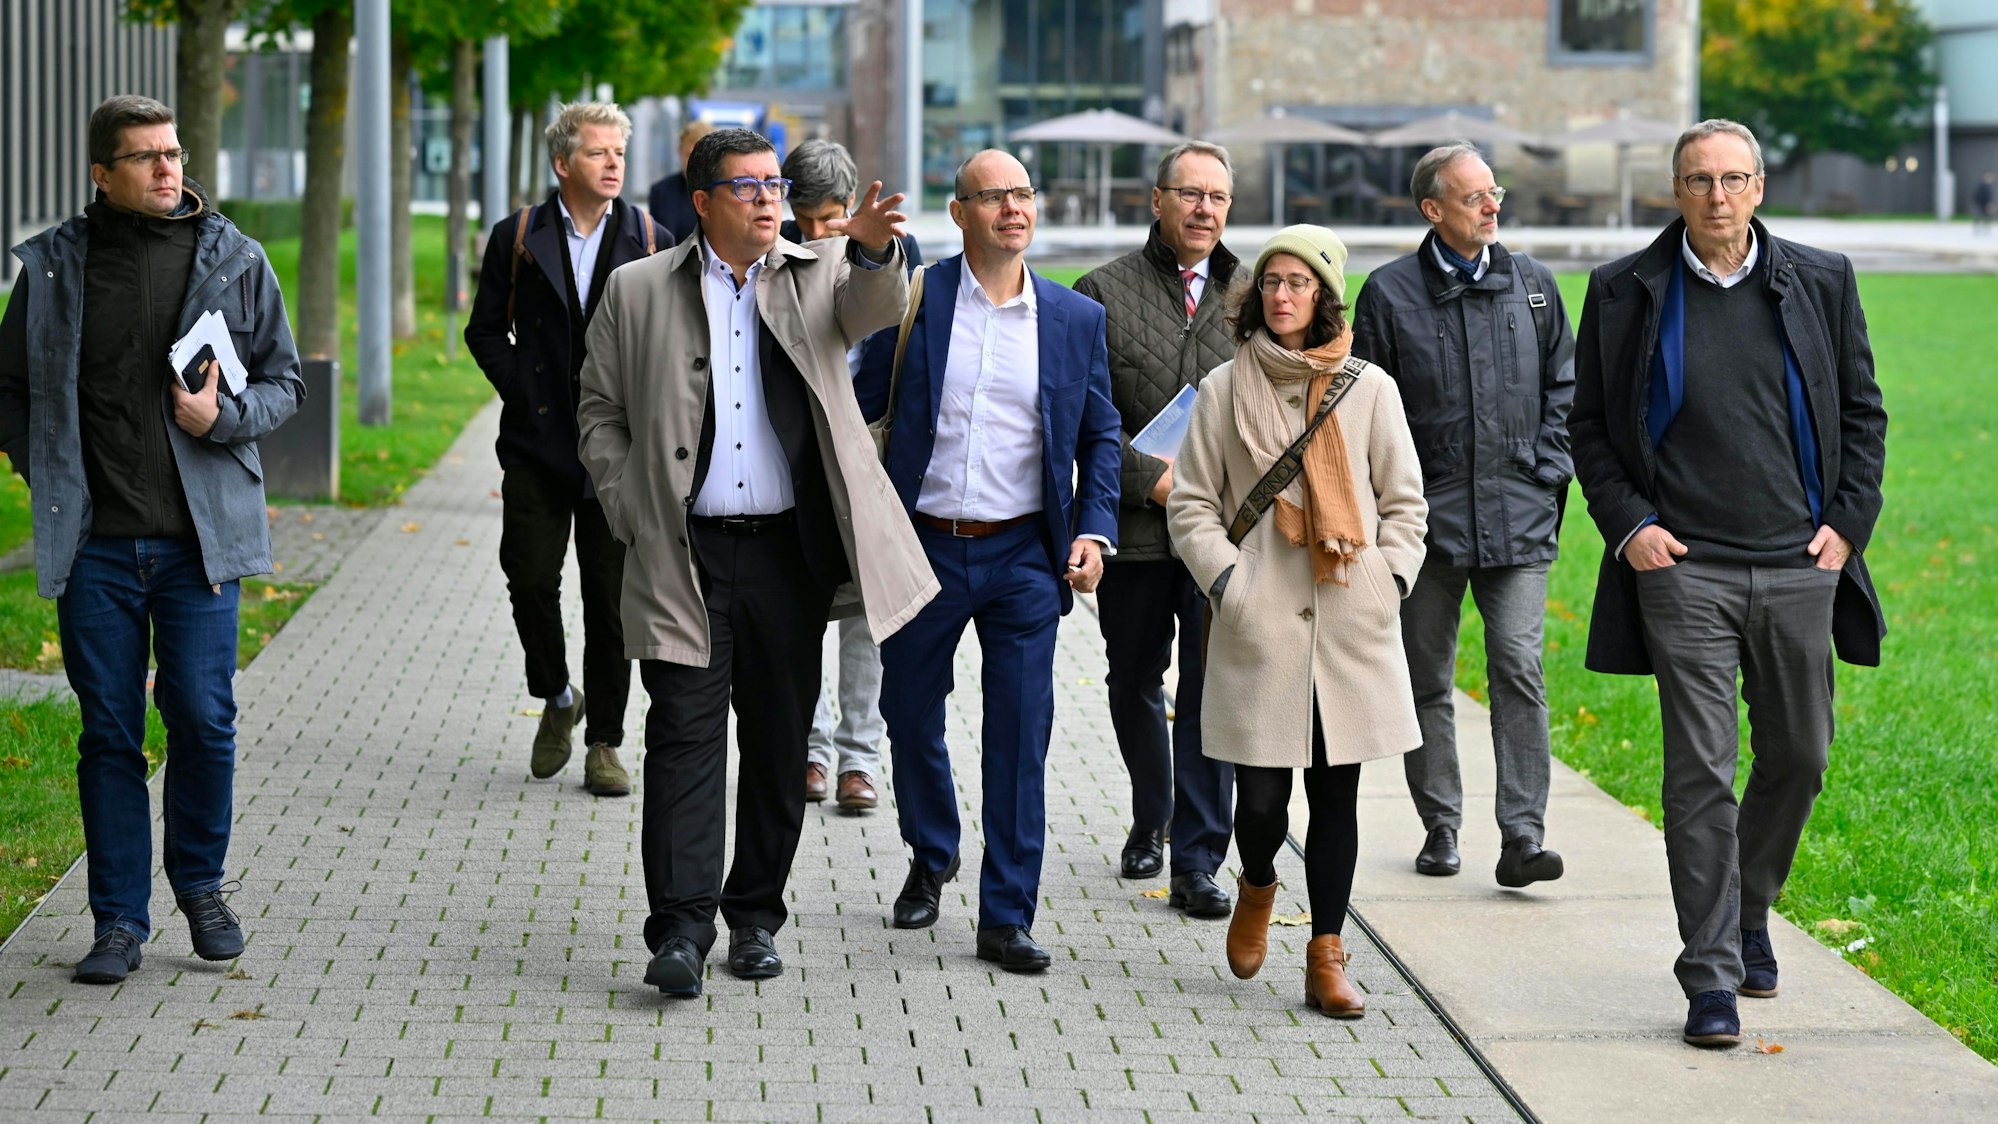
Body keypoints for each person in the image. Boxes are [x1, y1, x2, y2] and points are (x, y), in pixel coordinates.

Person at [576, 127, 937, 999]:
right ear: (702, 204)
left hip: (788, 554)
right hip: (683, 554)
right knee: (681, 742)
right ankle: (680, 928)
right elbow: (598, 410)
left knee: (778, 748)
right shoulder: (636, 290)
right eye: (748, 187)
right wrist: (630, 504)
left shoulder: (818, 276)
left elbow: (877, 305)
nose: (769, 198)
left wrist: (877, 247)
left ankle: (755, 918)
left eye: (775, 183)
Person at [1570, 119, 1887, 1048]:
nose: (1718, 196)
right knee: (1699, 773)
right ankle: (1708, 977)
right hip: (1685, 571)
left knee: (1802, 755)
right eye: (1700, 180)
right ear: (1676, 190)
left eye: (1735, 178)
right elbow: (1590, 426)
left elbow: (1863, 413)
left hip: (1799, 563)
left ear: (1758, 188)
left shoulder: (1820, 280)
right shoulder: (1625, 290)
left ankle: (1751, 911)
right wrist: (1631, 526)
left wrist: (1845, 530)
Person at [0, 95, 305, 985]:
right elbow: (9, 388)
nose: (169, 169)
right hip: (95, 545)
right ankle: (117, 922)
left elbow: (285, 382)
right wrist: (41, 467)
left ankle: (201, 885)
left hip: (196, 548)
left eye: (173, 153)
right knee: (109, 733)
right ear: (104, 174)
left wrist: (222, 419)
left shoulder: (235, 259)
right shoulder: (55, 268)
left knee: (205, 723)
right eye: (146, 158)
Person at [856, 149, 1120, 973]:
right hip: (921, 546)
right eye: (993, 196)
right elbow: (862, 405)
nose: (1013, 208)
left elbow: (1099, 432)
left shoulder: (1074, 319)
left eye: (1023, 194)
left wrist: (1093, 529)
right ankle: (933, 852)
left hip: (1023, 558)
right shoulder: (919, 299)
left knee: (1019, 735)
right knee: (905, 712)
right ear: (959, 212)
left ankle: (1007, 915)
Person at [1167, 226, 1427, 1020]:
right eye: (1271, 281)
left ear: (1322, 297)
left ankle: (1327, 955)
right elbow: (1192, 503)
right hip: (1260, 625)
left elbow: (1405, 504)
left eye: (1298, 283)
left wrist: (1389, 580)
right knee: (1261, 806)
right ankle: (1255, 884)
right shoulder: (1222, 389)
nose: (1281, 295)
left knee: (1336, 798)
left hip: (1350, 623)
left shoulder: (1369, 387)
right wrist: (1230, 584)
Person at [1350, 143, 1574, 887]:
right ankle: (1440, 825)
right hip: (1423, 528)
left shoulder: (1535, 288)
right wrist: (1389, 512)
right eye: (1474, 196)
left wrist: (1545, 474)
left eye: (1494, 192)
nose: (1491, 206)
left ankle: (1522, 837)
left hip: (1520, 520)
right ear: (1432, 209)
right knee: (1426, 678)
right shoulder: (1387, 294)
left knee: (1519, 667)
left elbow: (1567, 391)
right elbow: (1363, 411)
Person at [465, 101, 660, 798]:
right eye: (598, 153)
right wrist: (522, 387)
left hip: (619, 449)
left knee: (611, 602)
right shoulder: (516, 235)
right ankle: (556, 694)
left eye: (619, 154)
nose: (613, 164)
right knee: (528, 577)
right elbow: (484, 330)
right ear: (562, 163)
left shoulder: (647, 235)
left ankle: (605, 741)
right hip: (536, 443)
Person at [1071, 140, 1241, 915]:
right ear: (1157, 200)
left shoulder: (1254, 293)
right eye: (1191, 194)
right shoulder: (1099, 292)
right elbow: (1081, 418)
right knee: (1134, 676)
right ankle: (1153, 816)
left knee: (1212, 692)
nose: (1205, 209)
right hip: (1134, 534)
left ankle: (1200, 862)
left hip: (1223, 538)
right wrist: (1150, 481)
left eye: (1218, 197)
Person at [778, 138, 924, 813]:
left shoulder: (895, 248)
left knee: (869, 609)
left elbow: (907, 345)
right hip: (799, 451)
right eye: (804, 219)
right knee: (800, 603)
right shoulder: (772, 249)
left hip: (874, 443)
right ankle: (808, 750)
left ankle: (858, 759)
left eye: (829, 217)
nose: (817, 233)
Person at [647, 120, 715, 247]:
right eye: (689, 154)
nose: (694, 161)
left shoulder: (722, 192)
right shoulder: (661, 192)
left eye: (701, 155)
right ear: (679, 152)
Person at [1973, 172, 1995, 236]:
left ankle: (1985, 227)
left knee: (1986, 216)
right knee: (1980, 215)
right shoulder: (1981, 185)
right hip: (1981, 203)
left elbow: (1990, 196)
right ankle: (1978, 227)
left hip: (1986, 203)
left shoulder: (1988, 185)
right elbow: (1978, 195)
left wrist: (1990, 202)